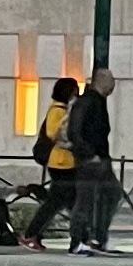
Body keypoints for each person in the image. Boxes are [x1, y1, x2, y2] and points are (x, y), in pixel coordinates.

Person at [19, 76, 79, 251]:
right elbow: (53, 133)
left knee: (65, 202)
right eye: (74, 89)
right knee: (58, 202)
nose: (77, 93)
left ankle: (81, 237)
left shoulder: (63, 109)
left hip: (66, 163)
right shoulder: (58, 110)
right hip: (60, 163)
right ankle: (31, 234)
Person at [65, 69, 119, 256]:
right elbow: (75, 131)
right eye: (111, 80)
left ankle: (96, 237)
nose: (114, 84)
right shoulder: (87, 102)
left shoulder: (96, 101)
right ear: (101, 80)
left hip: (100, 158)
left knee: (110, 195)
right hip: (90, 160)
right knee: (85, 200)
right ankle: (79, 240)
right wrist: (88, 154)